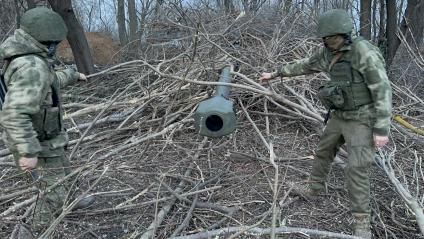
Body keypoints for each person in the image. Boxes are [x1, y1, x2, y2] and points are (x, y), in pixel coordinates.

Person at [259, 9, 392, 238]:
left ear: (342, 34)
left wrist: (381, 129)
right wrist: (276, 74)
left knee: (356, 168)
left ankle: (362, 221)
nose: (326, 42)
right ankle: (315, 188)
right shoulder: (329, 52)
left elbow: (382, 90)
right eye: (325, 39)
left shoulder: (364, 52)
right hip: (340, 115)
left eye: (330, 38)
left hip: (362, 118)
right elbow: (306, 64)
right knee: (323, 151)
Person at [0, 7, 94, 234]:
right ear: (48, 39)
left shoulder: (33, 58)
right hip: (35, 141)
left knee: (65, 170)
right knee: (53, 194)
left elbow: (49, 81)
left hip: (48, 135)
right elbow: (14, 113)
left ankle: (72, 202)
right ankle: (32, 231)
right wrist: (28, 151)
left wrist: (73, 75)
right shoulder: (31, 67)